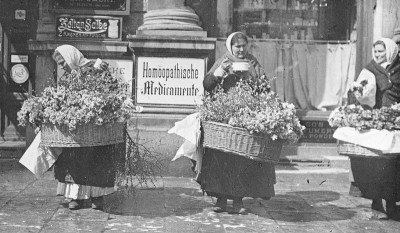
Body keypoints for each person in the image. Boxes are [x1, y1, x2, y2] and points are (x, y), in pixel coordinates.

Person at [200, 32, 274, 215]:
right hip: (224, 115)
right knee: (221, 157)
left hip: (245, 115)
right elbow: (207, 85)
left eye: (243, 46)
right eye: (237, 46)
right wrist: (219, 73)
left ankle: (238, 201)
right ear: (230, 47)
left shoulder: (253, 62)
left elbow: (265, 88)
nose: (240, 50)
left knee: (242, 157)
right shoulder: (223, 61)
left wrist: (251, 77)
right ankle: (221, 199)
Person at [52, 45, 123, 210]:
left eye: (63, 62)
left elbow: (110, 88)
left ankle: (96, 197)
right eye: (59, 63)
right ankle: (75, 196)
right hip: (77, 127)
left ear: (71, 57)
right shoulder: (66, 78)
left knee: (97, 159)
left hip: (96, 126)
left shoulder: (95, 68)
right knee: (75, 160)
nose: (61, 66)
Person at [347, 38, 400, 219]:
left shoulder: (398, 69)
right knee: (377, 162)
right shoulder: (370, 69)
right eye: (376, 52)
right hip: (377, 121)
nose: (377, 55)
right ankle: (376, 200)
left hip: (396, 122)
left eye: (381, 52)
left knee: (394, 163)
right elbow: (359, 92)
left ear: (390, 52)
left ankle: (392, 202)